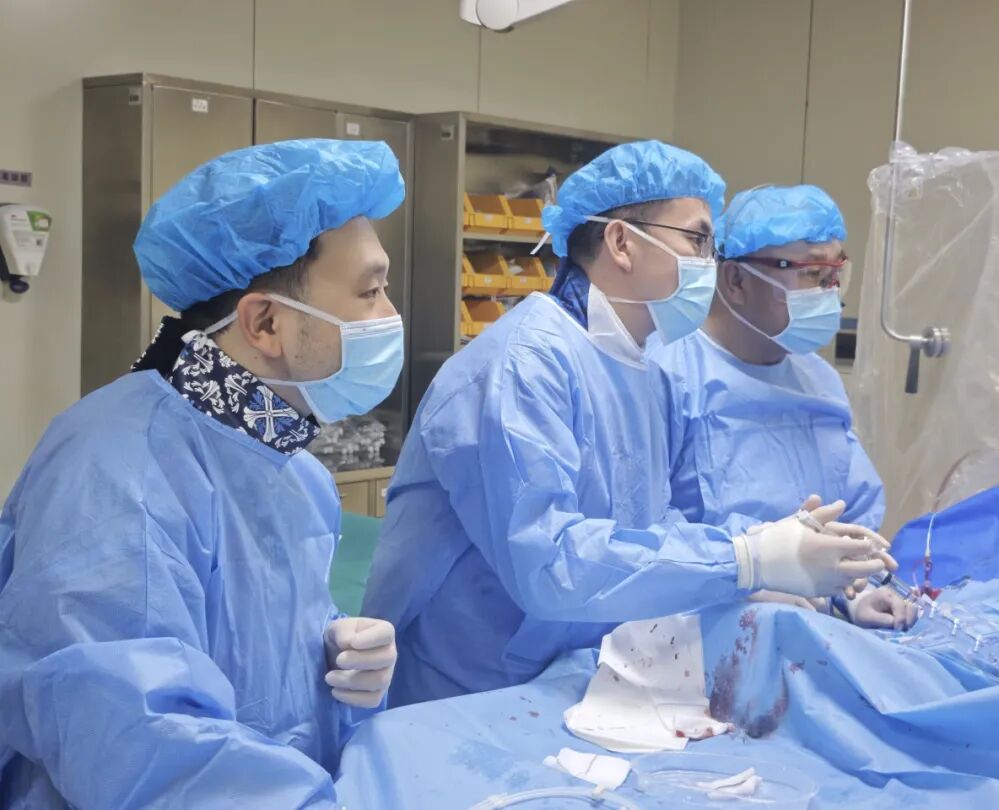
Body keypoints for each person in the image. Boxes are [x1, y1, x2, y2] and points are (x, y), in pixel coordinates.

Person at [363, 142, 889, 707]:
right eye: (697, 240)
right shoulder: (522, 366)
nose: (710, 264)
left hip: (568, 676)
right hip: (468, 688)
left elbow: (649, 525)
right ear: (620, 242)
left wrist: (765, 553)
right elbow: (549, 563)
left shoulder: (637, 366)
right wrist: (745, 559)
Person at [0, 139, 405, 808]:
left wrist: (336, 656)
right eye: (370, 291)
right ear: (265, 322)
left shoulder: (289, 468)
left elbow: (250, 647)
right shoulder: (117, 473)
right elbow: (138, 744)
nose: (389, 315)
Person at [650, 184, 910, 630]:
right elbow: (637, 532)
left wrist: (855, 591)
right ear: (736, 281)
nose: (830, 293)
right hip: (688, 632)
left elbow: (852, 512)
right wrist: (742, 579)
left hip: (813, 627)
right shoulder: (664, 375)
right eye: (813, 274)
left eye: (836, 275)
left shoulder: (818, 381)